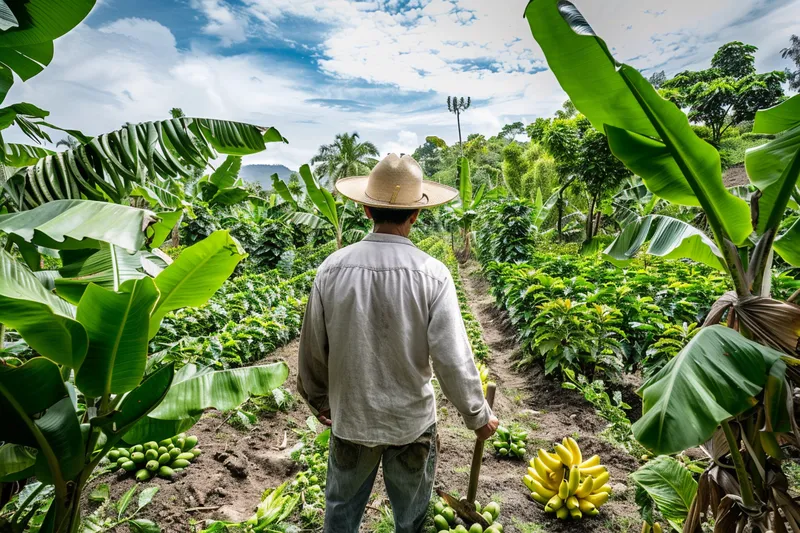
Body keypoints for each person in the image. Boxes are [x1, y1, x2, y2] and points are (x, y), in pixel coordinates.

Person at [297, 153, 499, 533]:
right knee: (411, 520)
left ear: (366, 210)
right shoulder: (432, 275)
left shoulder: (331, 269)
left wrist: (320, 400)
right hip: (411, 425)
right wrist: (477, 415)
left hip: (352, 419)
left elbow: (311, 348)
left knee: (340, 516)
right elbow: (451, 358)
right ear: (416, 215)